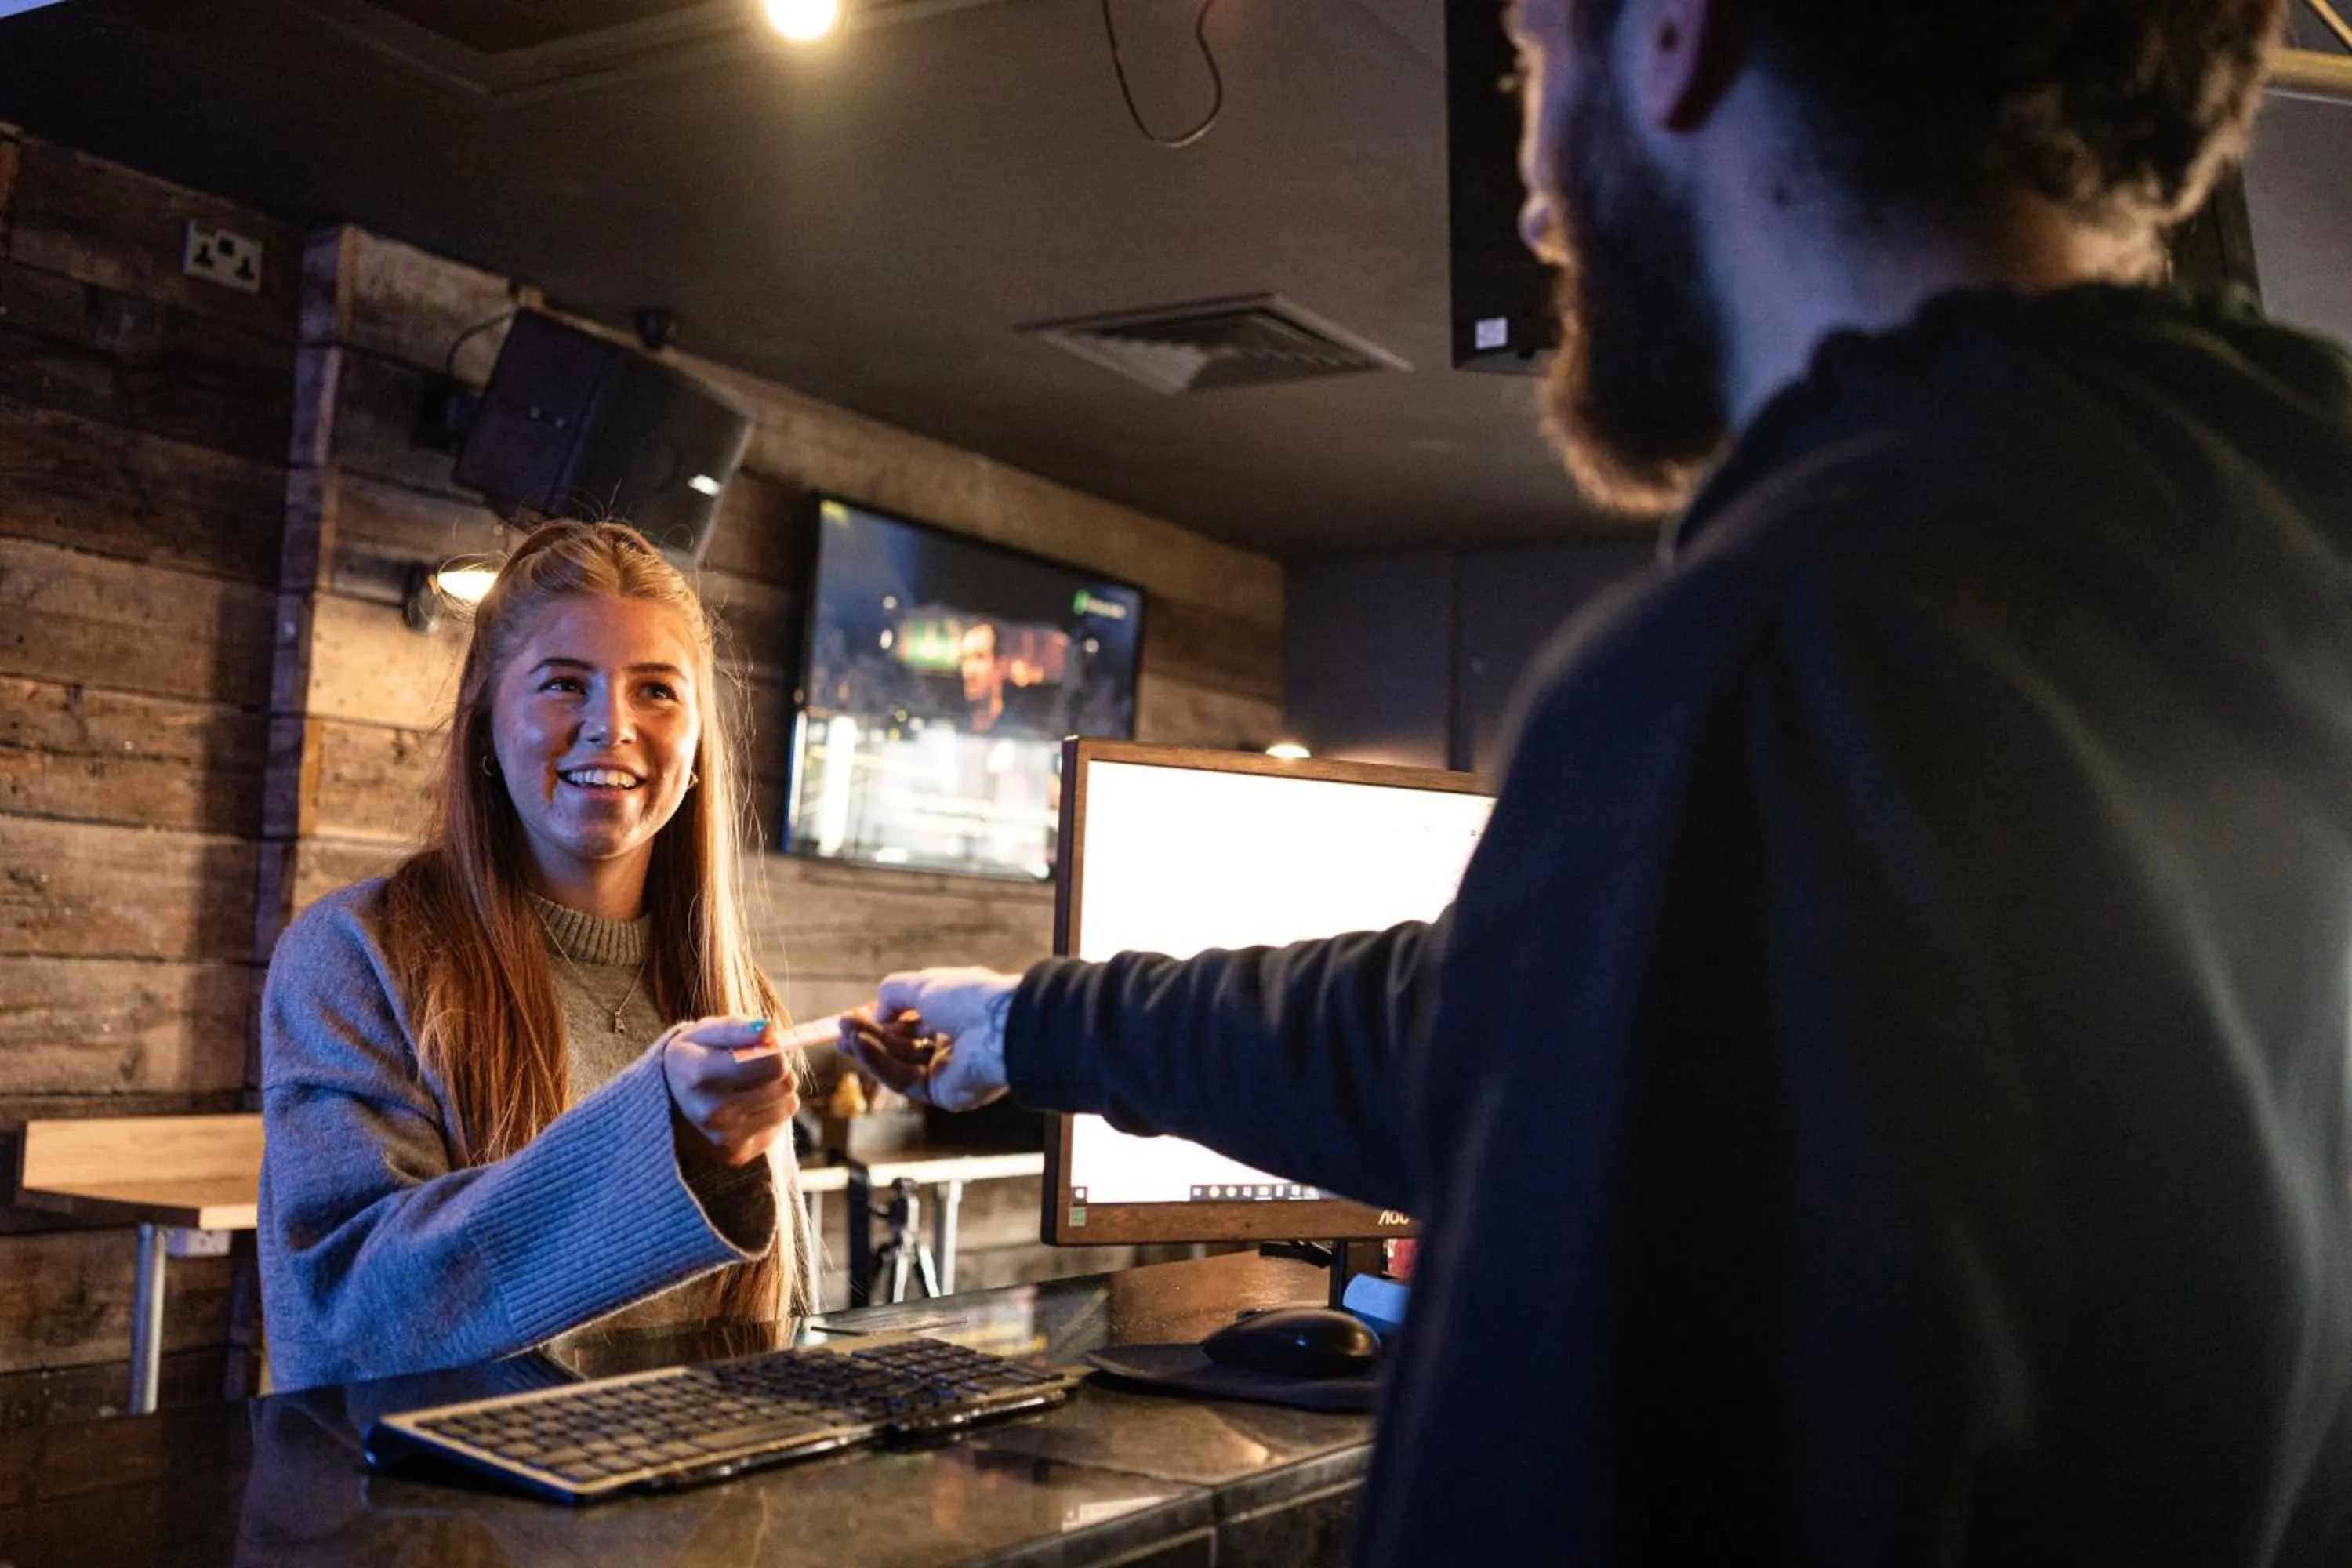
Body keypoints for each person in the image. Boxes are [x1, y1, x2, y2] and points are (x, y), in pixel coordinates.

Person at [848, 0, 2352, 1562]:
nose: (1536, 201)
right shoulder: (2227, 579)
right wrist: (1035, 1026)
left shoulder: (1773, 670)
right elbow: (1483, 1022)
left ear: (1676, 37)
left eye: (1533, 53)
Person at [260, 520, 808, 1390]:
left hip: (673, 1516)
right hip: (432, 1518)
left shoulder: (737, 998)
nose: (612, 726)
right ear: (484, 718)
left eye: (657, 691)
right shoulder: (356, 954)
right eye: (564, 684)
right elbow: (362, 1307)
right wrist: (660, 1132)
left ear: (699, 741)